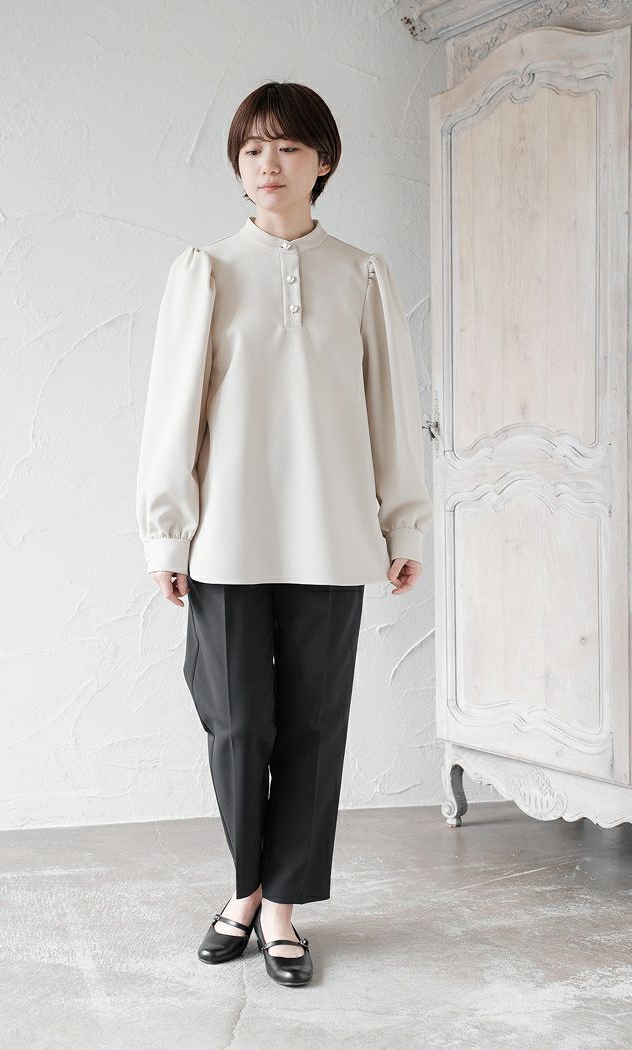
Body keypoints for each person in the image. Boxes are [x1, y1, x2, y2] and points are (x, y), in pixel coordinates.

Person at [135, 80, 433, 987]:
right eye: (253, 148)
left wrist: (403, 523)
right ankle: (245, 887)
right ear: (238, 164)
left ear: (324, 161)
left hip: (332, 537)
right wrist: (167, 536)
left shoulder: (362, 274)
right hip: (225, 540)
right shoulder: (207, 272)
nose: (269, 163)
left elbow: (392, 411)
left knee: (312, 724)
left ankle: (281, 911)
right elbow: (172, 416)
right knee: (237, 724)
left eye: (289, 147)